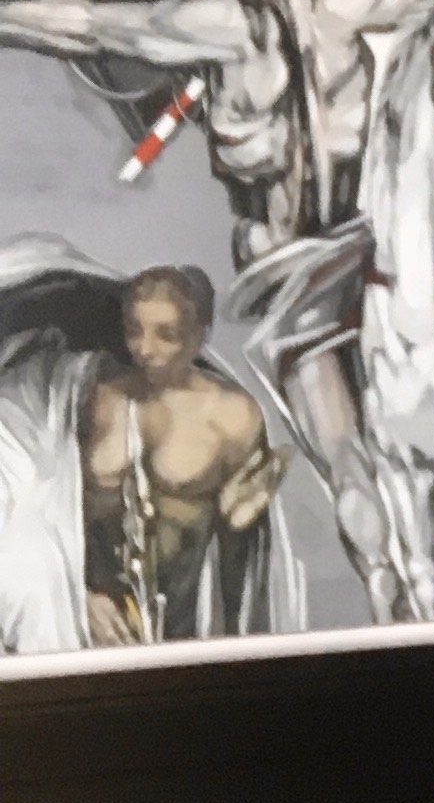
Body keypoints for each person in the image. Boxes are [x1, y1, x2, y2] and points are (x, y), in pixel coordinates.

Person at [80, 265, 289, 642]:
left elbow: (241, 561)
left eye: (167, 335)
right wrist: (78, 596)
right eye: (134, 330)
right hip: (88, 625)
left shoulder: (233, 416)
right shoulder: (94, 403)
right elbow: (44, 511)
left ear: (199, 335)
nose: (145, 350)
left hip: (187, 629)